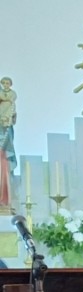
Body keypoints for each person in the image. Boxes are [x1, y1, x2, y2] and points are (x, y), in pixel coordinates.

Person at [0, 76, 15, 207]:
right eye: (3, 83)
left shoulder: (11, 98)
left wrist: (7, 119)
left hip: (5, 131)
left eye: (7, 83)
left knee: (3, 163)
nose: (5, 85)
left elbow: (12, 112)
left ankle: (4, 198)